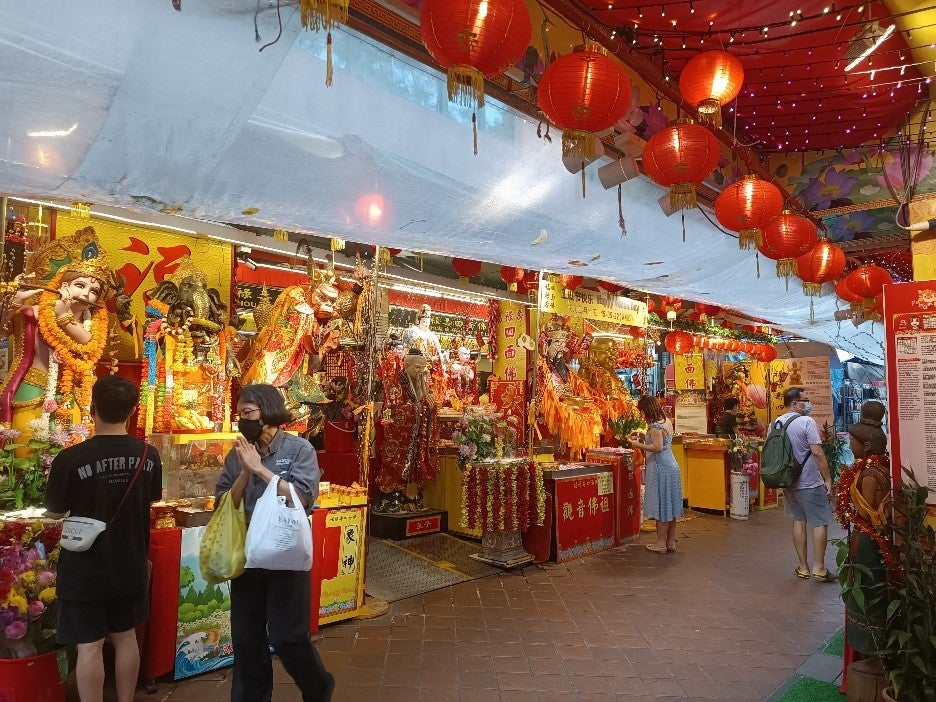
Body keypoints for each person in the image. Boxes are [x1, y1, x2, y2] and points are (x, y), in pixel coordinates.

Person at [43, 375, 162, 702]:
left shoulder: (70, 459)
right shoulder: (148, 456)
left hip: (85, 567)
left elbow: (55, 512)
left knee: (90, 645)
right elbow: (151, 499)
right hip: (131, 562)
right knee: (126, 638)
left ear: (92, 409)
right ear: (133, 411)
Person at [214, 383, 333, 702]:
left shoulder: (298, 450)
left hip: (286, 555)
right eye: (239, 415)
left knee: (287, 636)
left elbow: (304, 497)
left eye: (248, 413)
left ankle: (318, 686)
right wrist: (244, 470)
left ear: (268, 412)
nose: (243, 420)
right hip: (248, 555)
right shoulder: (237, 454)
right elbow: (223, 502)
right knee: (246, 638)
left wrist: (261, 471)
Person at [836, 401, 890, 656]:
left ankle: (868, 650)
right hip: (870, 540)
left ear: (866, 446)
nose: (849, 446)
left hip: (868, 542)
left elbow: (867, 513)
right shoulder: (878, 469)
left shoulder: (868, 476)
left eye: (853, 442)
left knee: (866, 592)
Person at [775, 386, 836, 581]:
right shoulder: (806, 421)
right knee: (819, 522)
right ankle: (819, 567)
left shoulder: (775, 422)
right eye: (805, 400)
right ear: (794, 403)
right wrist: (827, 479)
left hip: (789, 481)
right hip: (810, 482)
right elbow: (817, 452)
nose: (808, 403)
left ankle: (803, 567)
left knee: (798, 520)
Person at [374, 348, 439, 513]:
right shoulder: (395, 383)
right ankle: (391, 498)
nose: (420, 372)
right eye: (417, 367)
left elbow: (421, 406)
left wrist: (430, 407)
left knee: (415, 465)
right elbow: (396, 410)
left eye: (422, 368)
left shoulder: (420, 384)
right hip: (397, 435)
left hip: (414, 436)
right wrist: (422, 405)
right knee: (393, 464)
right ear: (407, 365)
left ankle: (409, 498)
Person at [625, 395, 684, 554]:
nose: (642, 414)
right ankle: (670, 542)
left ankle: (660, 543)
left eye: (642, 411)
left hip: (661, 468)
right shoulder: (666, 422)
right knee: (670, 506)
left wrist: (636, 444)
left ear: (647, 410)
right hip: (671, 466)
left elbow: (657, 447)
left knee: (662, 506)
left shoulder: (655, 426)